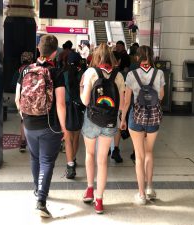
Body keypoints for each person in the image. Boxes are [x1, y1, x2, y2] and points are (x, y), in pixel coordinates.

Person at [15, 34, 68, 218]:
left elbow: (17, 98)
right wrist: (64, 129)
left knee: (35, 158)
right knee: (47, 161)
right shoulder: (57, 73)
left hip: (29, 123)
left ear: (39, 48)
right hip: (49, 124)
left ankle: (38, 190)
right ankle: (41, 202)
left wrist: (25, 116)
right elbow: (61, 104)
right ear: (54, 53)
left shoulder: (25, 70)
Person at [80, 43, 125, 214]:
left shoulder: (90, 73)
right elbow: (121, 103)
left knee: (89, 154)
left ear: (96, 57)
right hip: (110, 121)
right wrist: (121, 119)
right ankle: (99, 200)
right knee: (103, 160)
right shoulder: (119, 76)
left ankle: (90, 189)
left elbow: (85, 101)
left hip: (92, 119)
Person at [120, 45, 165, 205]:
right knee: (149, 152)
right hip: (153, 117)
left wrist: (123, 119)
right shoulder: (159, 73)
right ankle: (149, 188)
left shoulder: (131, 75)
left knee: (139, 156)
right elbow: (160, 96)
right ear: (152, 57)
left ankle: (141, 195)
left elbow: (126, 101)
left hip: (136, 117)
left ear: (137, 57)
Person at [64, 51, 85, 179]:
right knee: (76, 137)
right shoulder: (82, 75)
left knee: (68, 138)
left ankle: (70, 164)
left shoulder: (63, 74)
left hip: (65, 108)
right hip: (78, 108)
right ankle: (74, 158)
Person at [17, 51, 34, 153]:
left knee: (23, 120)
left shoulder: (20, 70)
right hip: (33, 97)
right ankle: (33, 143)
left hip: (23, 97)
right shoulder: (34, 68)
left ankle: (23, 142)